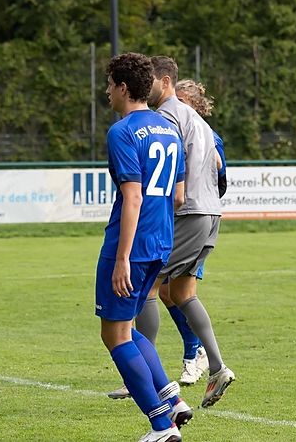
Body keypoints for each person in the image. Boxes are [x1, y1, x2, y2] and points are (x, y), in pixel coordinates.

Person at [96, 52, 188, 442]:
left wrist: (121, 258)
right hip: (161, 240)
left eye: (109, 84)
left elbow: (132, 197)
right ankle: (171, 398)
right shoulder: (168, 128)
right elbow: (179, 197)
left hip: (130, 244)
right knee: (128, 327)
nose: (106, 91)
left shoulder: (122, 132)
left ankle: (161, 424)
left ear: (121, 86)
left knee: (114, 335)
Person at [143, 57, 235, 409]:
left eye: (148, 81)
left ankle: (141, 374)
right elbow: (217, 169)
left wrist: (172, 203)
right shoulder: (197, 120)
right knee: (181, 291)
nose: (143, 87)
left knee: (148, 285)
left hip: (190, 211)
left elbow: (175, 175)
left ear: (164, 81)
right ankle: (216, 366)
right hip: (211, 213)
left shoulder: (167, 115)